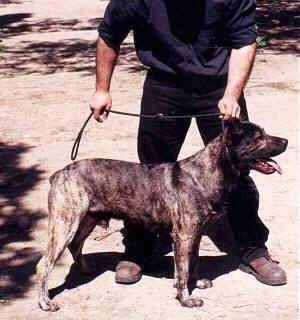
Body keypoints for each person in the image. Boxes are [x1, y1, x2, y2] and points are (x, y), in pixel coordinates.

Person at [89, 0, 287, 286]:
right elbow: (109, 34)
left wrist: (232, 94)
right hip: (164, 84)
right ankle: (139, 249)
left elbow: (244, 41)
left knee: (238, 168)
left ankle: (253, 249)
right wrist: (101, 89)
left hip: (220, 85)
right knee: (149, 174)